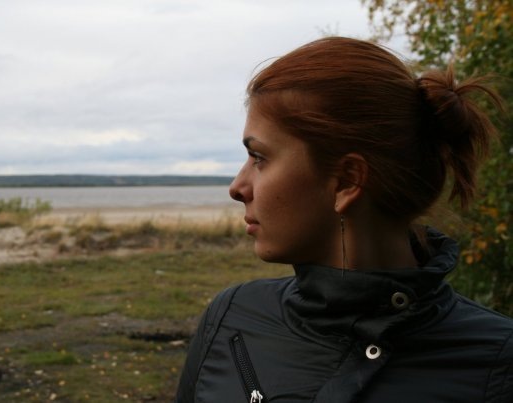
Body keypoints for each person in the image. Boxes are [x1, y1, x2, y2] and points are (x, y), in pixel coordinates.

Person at [174, 37, 513, 402]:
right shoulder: (231, 319)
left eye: (259, 158)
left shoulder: (497, 365)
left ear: (348, 181)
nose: (237, 187)